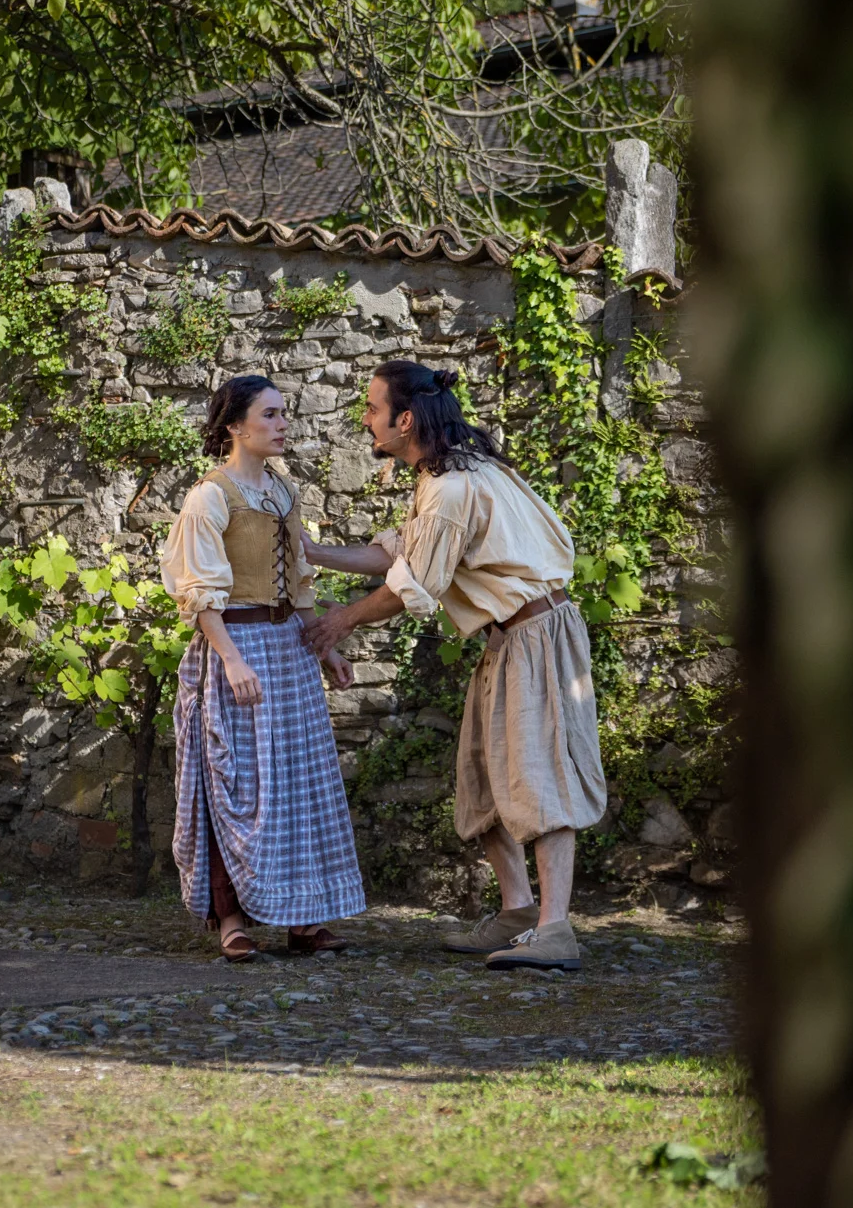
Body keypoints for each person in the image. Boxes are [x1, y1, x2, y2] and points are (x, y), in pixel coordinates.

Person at [304, 360, 606, 971]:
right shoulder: (454, 473)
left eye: (371, 409)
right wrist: (310, 551)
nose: (365, 420)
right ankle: (519, 912)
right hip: (509, 637)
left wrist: (342, 621)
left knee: (538, 773)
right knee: (484, 776)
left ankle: (556, 929)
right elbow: (397, 553)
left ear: (405, 419)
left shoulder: (451, 488)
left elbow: (411, 585)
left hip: (537, 634)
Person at [160, 374, 366, 963]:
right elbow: (198, 592)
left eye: (284, 414)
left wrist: (323, 648)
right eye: (271, 415)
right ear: (235, 427)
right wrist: (230, 659)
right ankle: (231, 917)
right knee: (237, 782)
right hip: (237, 645)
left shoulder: (282, 492)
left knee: (296, 784)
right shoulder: (210, 497)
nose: (283, 425)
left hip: (288, 650)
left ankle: (303, 919)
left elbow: (299, 580)